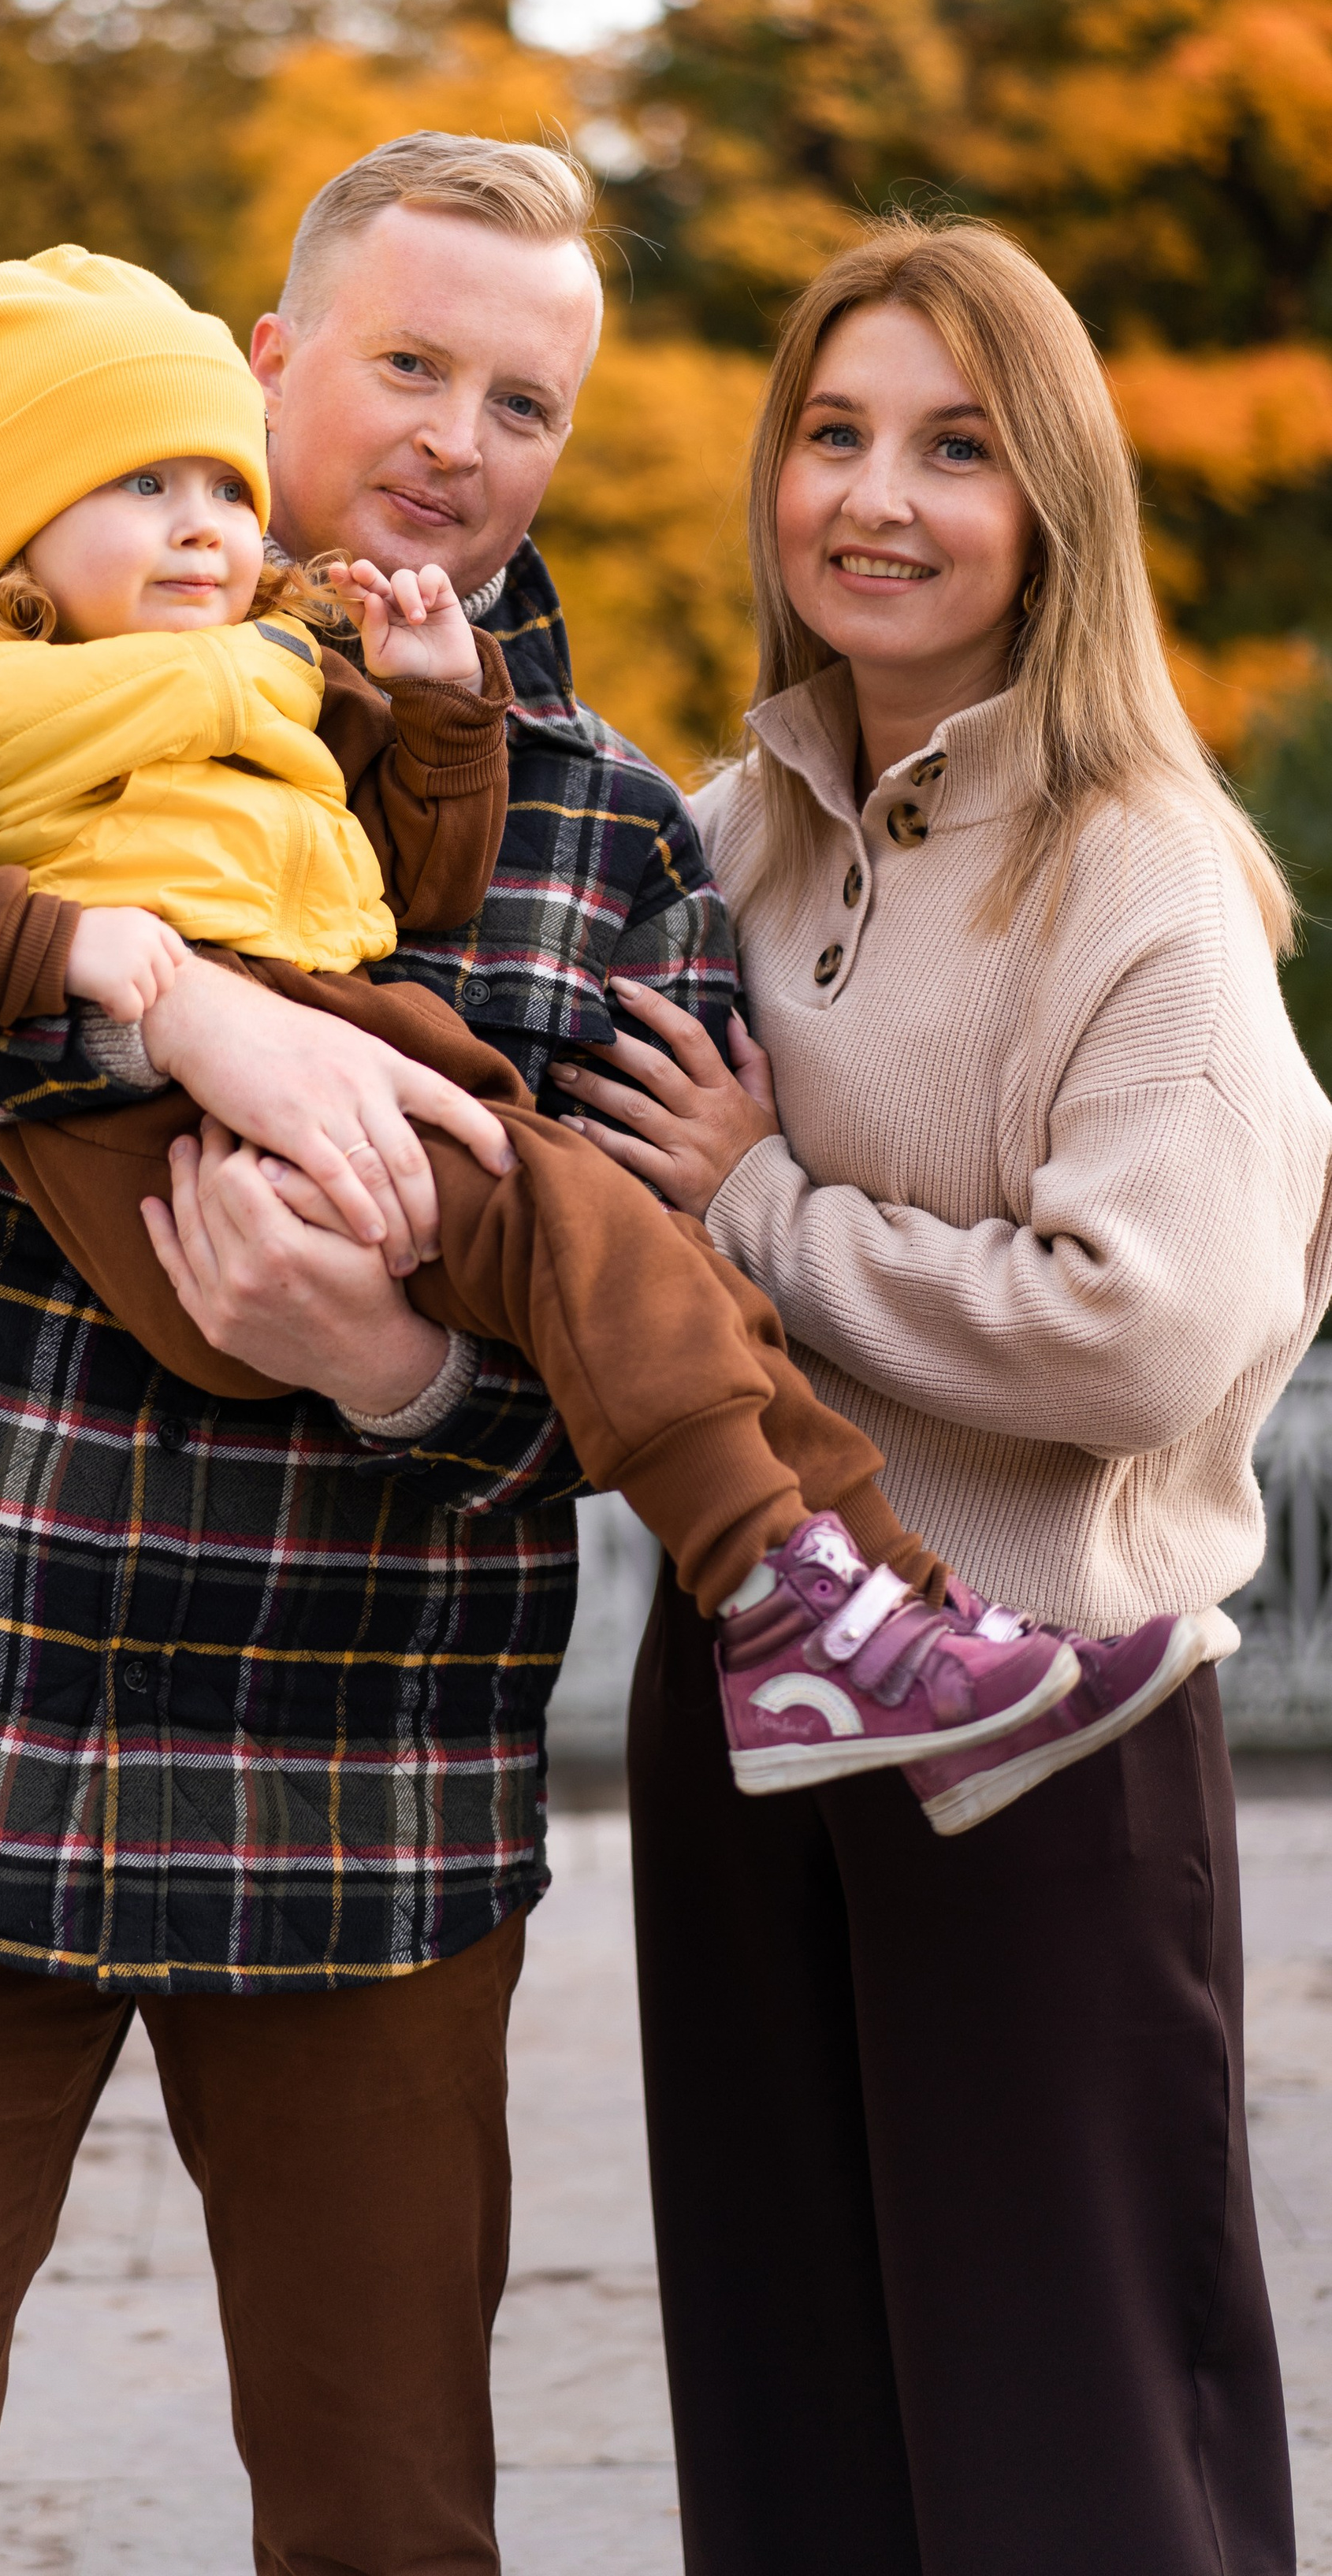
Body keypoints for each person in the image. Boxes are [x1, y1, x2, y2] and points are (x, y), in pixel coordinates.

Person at [0, 132, 736, 2576]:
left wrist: (391, 1372)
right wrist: (165, 1008)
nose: (463, 437)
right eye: (412, 364)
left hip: (359, 1816)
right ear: (271, 366)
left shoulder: (610, 837)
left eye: (528, 402)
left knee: (385, 2527)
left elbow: (640, 1329)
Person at [0, 240, 1132, 1778]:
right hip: (15, 1536)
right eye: (141, 490)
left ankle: (899, 1622)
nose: (199, 528)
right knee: (610, 1246)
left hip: (367, 1736)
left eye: (523, 402)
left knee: (671, 1277)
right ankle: (794, 1614)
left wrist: (432, 703)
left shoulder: (363, 711)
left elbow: (416, 880)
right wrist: (114, 980)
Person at [549, 214, 1331, 2574]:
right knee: (786, 2407)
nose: (876, 496)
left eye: (958, 448)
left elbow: (1147, 1334)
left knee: (1069, 2439)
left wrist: (770, 1207)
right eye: (835, 434)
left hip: (1050, 1737)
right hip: (755, 1697)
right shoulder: (731, 830)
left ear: (1053, 507)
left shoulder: (1143, 875)